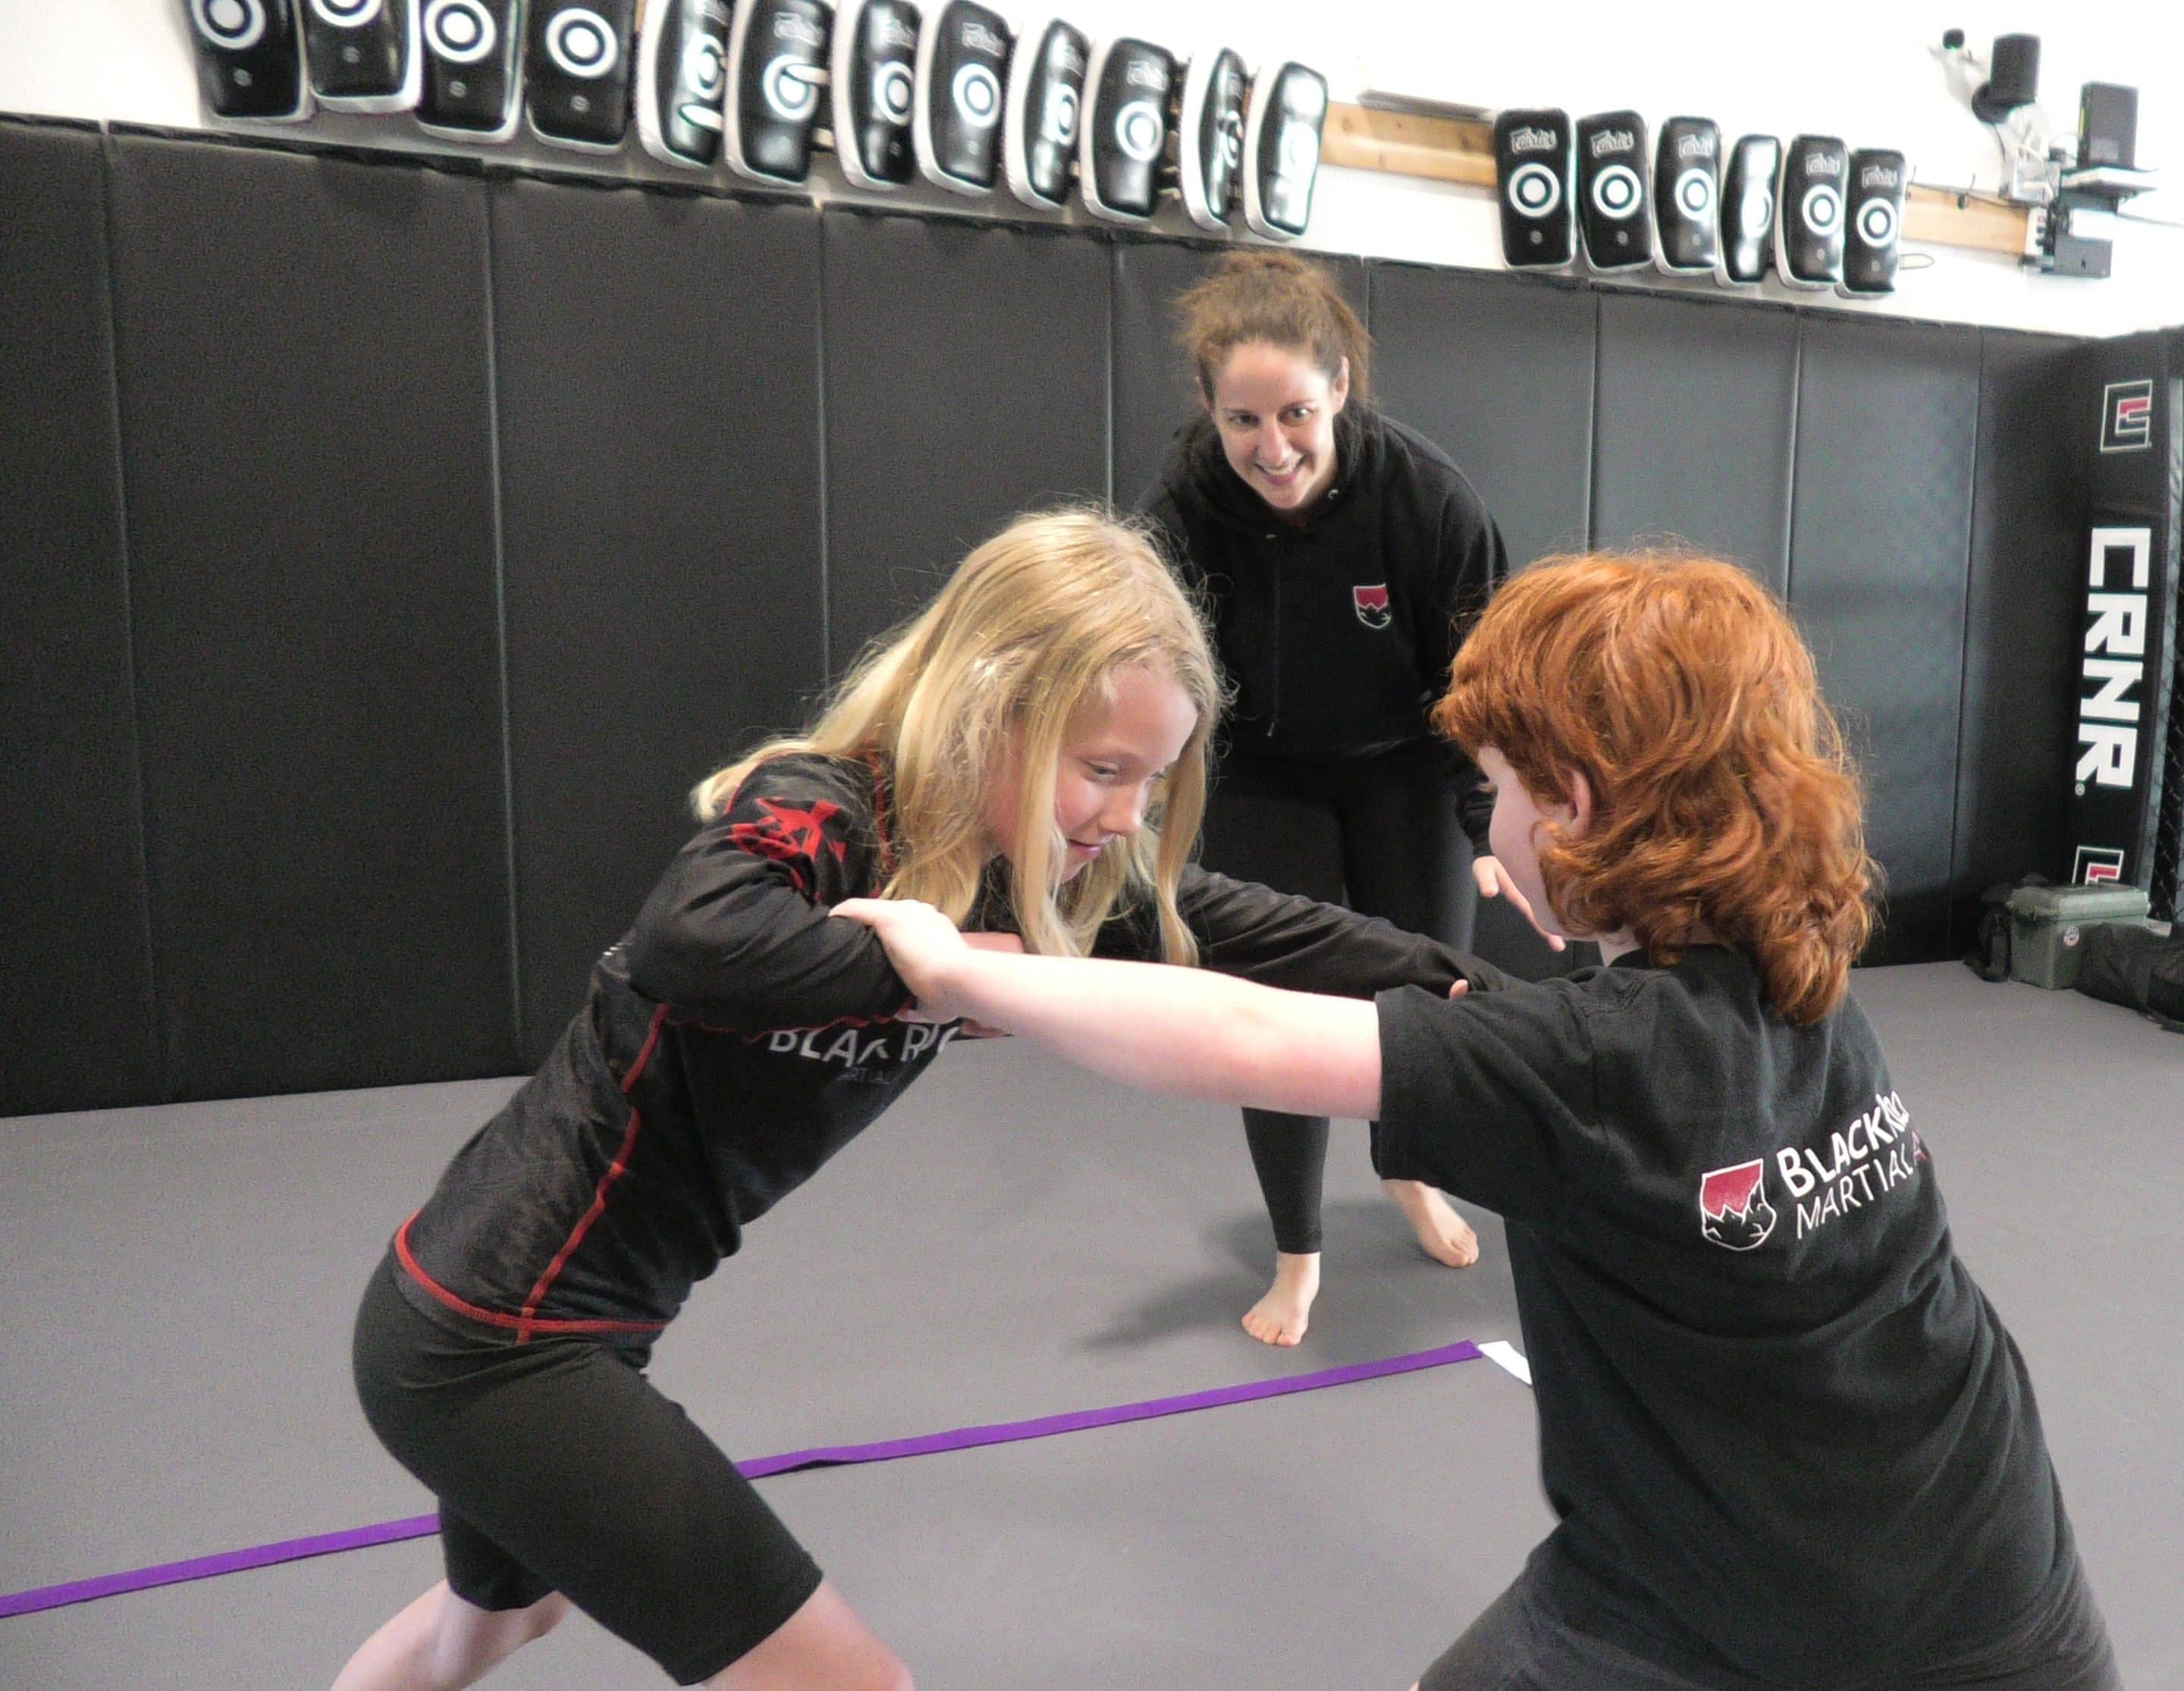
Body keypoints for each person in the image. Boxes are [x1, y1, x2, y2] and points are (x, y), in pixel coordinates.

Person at [839, 551, 2122, 1691]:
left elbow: (1245, 1038)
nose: (1489, 824)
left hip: (1740, 1604)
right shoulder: (1803, 969)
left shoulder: (1589, 1061)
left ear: (1572, 805)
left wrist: (958, 972)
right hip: (1993, 1554)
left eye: (1498, 787)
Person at [331, 508, 1501, 1691]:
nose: (1122, 815)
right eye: (1101, 770)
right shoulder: (831, 807)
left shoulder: (1041, 870)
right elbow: (692, 934)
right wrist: (943, 968)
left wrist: (1481, 993)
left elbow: (1256, 926)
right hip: (498, 1337)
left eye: (1150, 782)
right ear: (991, 708)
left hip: (516, 1312)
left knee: (490, 1625)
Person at [1139, 248, 1542, 1347]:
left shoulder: (1427, 500)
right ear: (1210, 413)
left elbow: (1485, 682)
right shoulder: (1187, 500)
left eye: (1296, 414)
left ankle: (1413, 1170)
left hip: (1409, 771)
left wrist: (1485, 824)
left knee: (1429, 1002)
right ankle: (1297, 1250)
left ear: (1341, 392)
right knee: (1278, 1020)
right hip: (1270, 773)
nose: (1271, 448)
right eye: (1241, 420)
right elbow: (1141, 653)